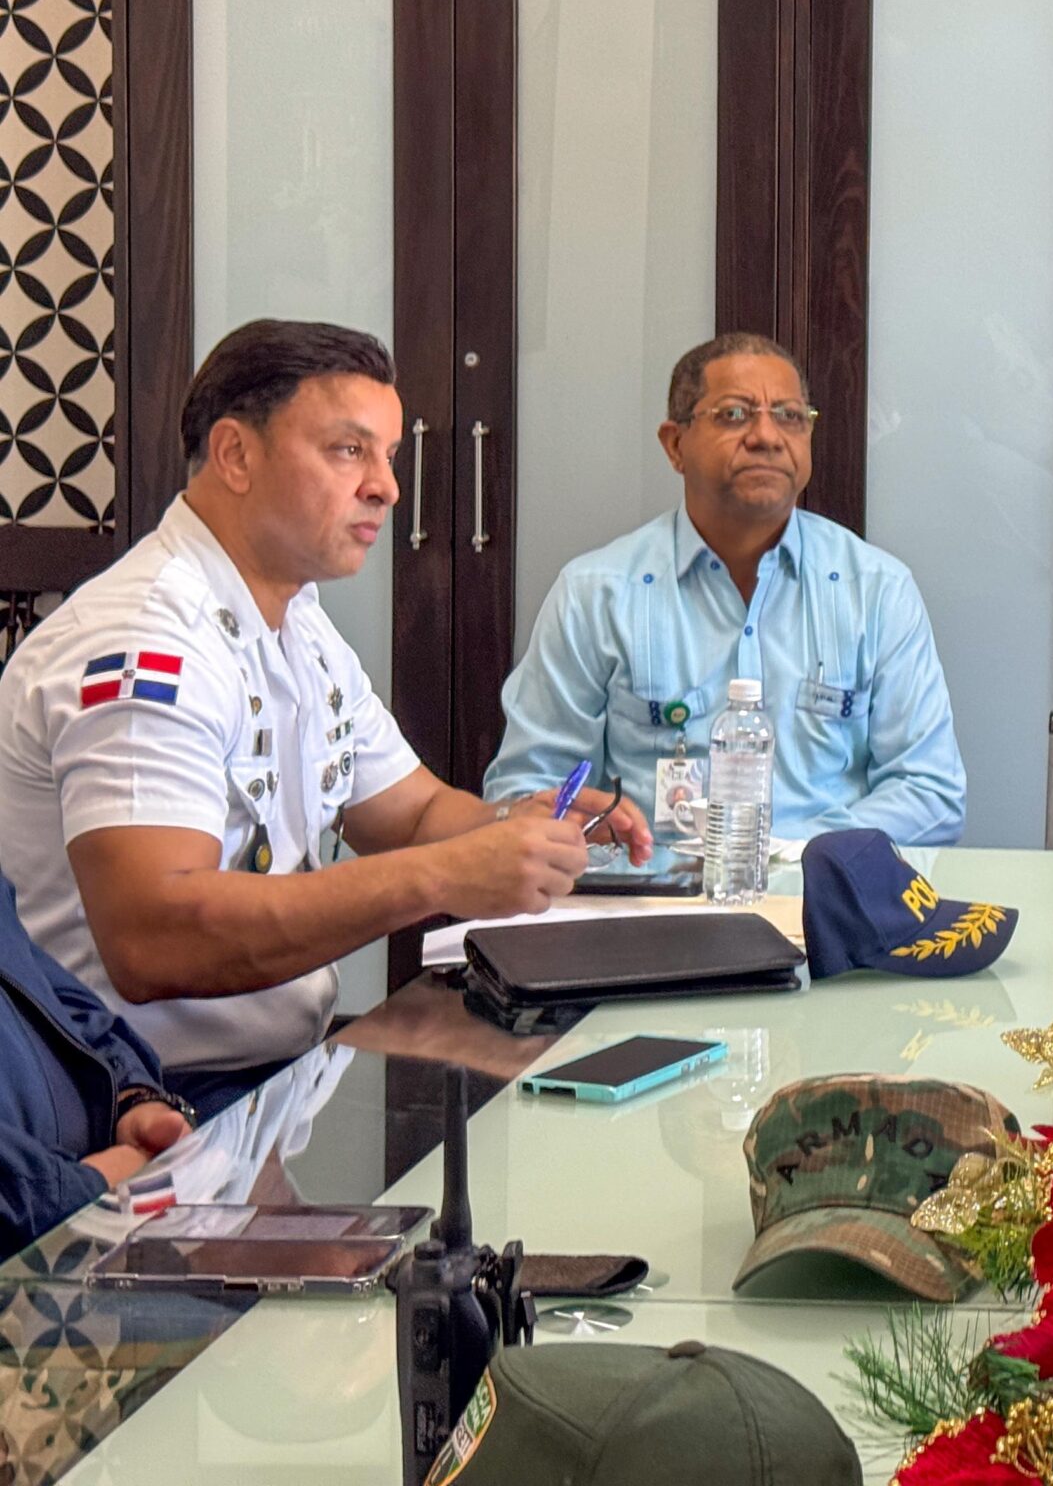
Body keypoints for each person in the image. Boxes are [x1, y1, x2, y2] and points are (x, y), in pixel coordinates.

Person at [0, 321, 645, 1095]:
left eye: (389, 455)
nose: (387, 487)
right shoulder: (147, 639)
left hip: (282, 1075)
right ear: (236, 454)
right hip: (136, 1101)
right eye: (348, 450)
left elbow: (410, 814)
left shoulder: (297, 622)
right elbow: (156, 940)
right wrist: (443, 875)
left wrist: (516, 826)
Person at [488, 333, 965, 849]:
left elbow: (930, 792)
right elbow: (529, 790)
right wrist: (599, 836)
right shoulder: (596, 595)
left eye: (790, 416)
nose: (767, 436)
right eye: (735, 415)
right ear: (675, 445)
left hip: (822, 887)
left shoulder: (876, 590)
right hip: (655, 887)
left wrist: (794, 856)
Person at [0, 868, 192, 1255]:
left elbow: (50, 991)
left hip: (91, 1204)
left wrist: (131, 1097)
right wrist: (86, 1186)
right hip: (47, 1235)